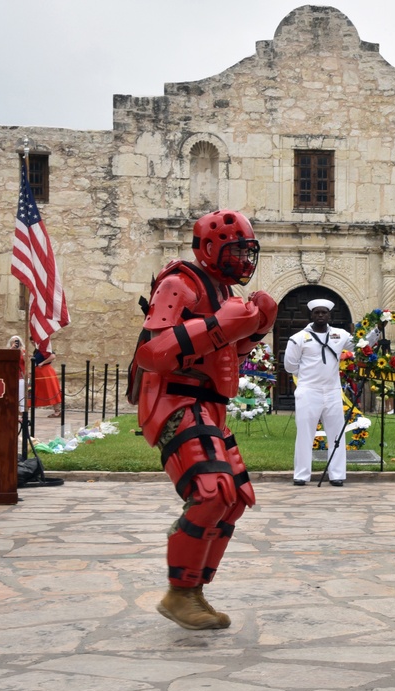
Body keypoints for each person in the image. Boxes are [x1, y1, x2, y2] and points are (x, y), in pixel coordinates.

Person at [129, 209, 277, 630]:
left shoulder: (222, 291)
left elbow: (226, 359)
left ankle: (194, 590)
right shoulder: (179, 284)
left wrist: (252, 332)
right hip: (176, 400)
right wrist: (220, 325)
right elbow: (153, 354)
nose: (244, 261)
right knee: (212, 491)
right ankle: (179, 595)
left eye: (248, 252)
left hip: (211, 405)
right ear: (210, 248)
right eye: (236, 251)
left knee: (233, 500)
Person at [284, 299, 355, 487]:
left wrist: (378, 330)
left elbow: (360, 346)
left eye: (324, 312)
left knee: (337, 433)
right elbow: (289, 364)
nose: (321, 315)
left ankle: (337, 474)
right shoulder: (299, 338)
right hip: (309, 391)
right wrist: (305, 376)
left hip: (332, 391)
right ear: (311, 315)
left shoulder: (340, 335)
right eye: (317, 312)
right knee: (305, 433)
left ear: (330, 315)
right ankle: (301, 474)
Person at [33, 343, 63, 417]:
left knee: (52, 390)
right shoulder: (37, 350)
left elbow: (53, 356)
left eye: (33, 341)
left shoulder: (45, 348)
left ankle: (57, 411)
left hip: (46, 372)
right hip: (39, 373)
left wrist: (42, 363)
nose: (33, 343)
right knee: (35, 391)